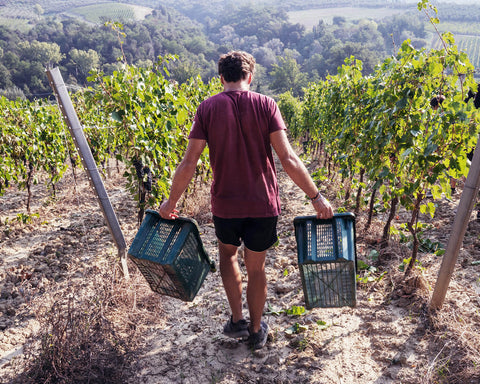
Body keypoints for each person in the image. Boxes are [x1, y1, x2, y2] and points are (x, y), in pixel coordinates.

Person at [159, 51, 334, 350]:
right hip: (262, 205)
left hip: (226, 205)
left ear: (221, 78)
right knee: (257, 268)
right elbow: (288, 158)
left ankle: (237, 320)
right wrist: (316, 197)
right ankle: (256, 330)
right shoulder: (267, 105)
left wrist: (170, 202)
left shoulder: (207, 108)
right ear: (250, 76)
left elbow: (189, 162)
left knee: (227, 255)